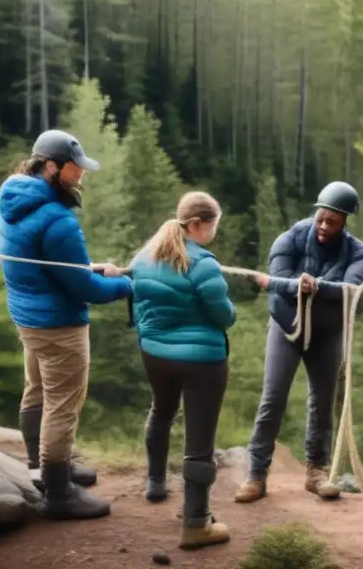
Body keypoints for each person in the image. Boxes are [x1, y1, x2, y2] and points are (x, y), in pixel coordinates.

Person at [0, 129, 132, 520]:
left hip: (28, 318)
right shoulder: (59, 220)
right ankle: (59, 493)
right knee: (62, 406)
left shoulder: (14, 198)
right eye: (75, 169)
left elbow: (48, 263)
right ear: (51, 166)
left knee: (37, 389)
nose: (81, 176)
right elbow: (84, 288)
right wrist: (124, 284)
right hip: (59, 326)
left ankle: (41, 467)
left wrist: (88, 266)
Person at [234, 181, 363, 504]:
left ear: (345, 222)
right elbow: (277, 283)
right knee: (273, 398)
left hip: (327, 334)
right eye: (321, 218)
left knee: (323, 401)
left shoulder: (359, 253)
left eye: (333, 222)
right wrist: (299, 285)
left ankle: (316, 471)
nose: (324, 227)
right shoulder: (289, 239)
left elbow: (351, 290)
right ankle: (256, 474)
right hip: (287, 328)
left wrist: (318, 286)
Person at [129, 191, 235, 550]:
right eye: (212, 226)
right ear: (197, 225)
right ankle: (196, 524)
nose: (212, 233)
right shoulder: (204, 264)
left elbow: (137, 304)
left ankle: (156, 482)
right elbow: (224, 316)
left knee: (161, 409)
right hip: (201, 361)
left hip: (155, 354)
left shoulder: (144, 257)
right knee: (200, 441)